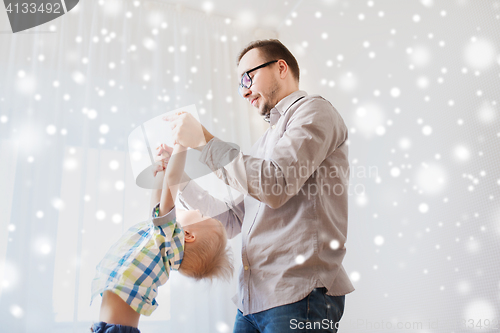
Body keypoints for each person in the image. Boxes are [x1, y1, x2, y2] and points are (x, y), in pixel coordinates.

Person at [165, 39, 354, 333]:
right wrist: (177, 177)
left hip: (298, 294)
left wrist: (205, 141)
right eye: (240, 82)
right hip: (252, 302)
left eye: (248, 76)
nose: (244, 90)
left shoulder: (314, 111)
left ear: (281, 67)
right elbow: (233, 220)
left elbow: (274, 185)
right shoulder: (264, 144)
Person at [90, 141, 233, 333]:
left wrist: (181, 146)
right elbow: (157, 200)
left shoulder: (168, 237)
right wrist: (162, 170)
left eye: (200, 215)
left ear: (189, 235)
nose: (197, 210)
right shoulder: (160, 239)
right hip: (110, 327)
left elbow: (172, 181)